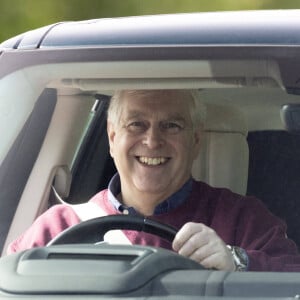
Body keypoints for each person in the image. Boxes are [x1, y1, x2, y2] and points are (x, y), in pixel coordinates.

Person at [7, 89, 300, 272]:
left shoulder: (243, 219)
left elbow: (292, 278)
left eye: (171, 125)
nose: (152, 140)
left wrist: (236, 262)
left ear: (195, 140)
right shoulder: (60, 227)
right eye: (136, 124)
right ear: (112, 137)